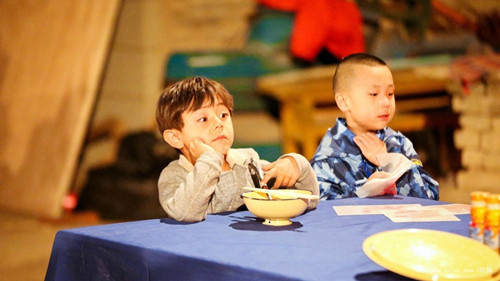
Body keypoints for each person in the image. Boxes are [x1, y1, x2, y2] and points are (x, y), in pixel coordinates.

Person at [156, 76, 319, 222]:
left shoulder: (249, 164)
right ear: (175, 138)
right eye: (203, 119)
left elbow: (309, 200)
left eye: (223, 115)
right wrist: (209, 159)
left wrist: (296, 165)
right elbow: (185, 214)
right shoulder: (174, 175)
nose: (218, 123)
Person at [310, 53, 439, 200]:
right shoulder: (330, 155)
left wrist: (390, 161)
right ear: (344, 102)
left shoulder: (398, 143)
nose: (385, 102)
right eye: (374, 94)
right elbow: (326, 211)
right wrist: (366, 191)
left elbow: (429, 198)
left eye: (390, 93)